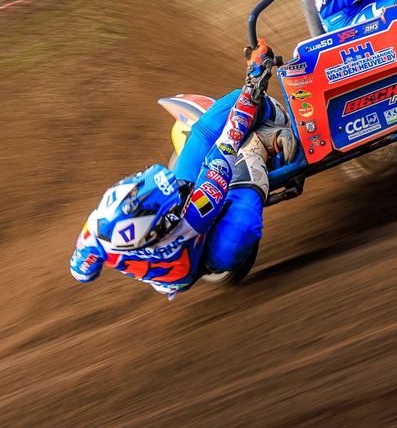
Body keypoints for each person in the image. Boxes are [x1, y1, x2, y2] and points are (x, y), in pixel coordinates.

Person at [69, 43, 295, 299]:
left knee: (206, 137)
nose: (178, 189)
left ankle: (264, 118)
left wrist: (86, 267)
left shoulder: (97, 231)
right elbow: (228, 142)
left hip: (172, 254)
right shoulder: (194, 215)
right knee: (241, 227)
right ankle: (258, 146)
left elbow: (80, 271)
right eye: (173, 200)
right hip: (197, 254)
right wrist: (254, 82)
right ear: (161, 227)